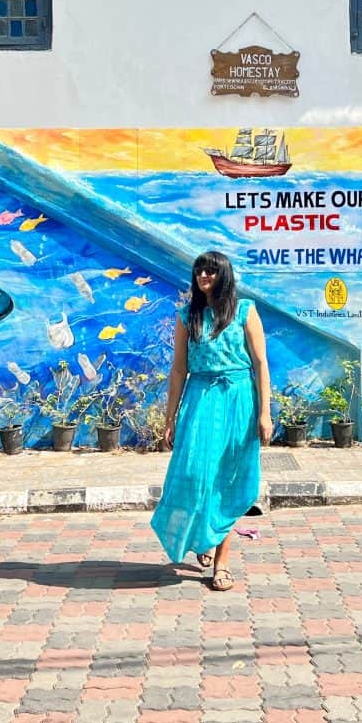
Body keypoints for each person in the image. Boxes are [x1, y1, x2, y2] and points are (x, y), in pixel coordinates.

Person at [150, 250, 272, 591]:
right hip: (201, 398)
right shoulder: (187, 315)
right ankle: (203, 538)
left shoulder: (245, 311)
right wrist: (170, 417)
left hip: (238, 399)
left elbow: (261, 363)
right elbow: (178, 369)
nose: (204, 275)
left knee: (227, 480)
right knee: (193, 474)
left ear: (224, 275)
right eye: (200, 270)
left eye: (212, 271)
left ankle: (221, 563)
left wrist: (265, 412)